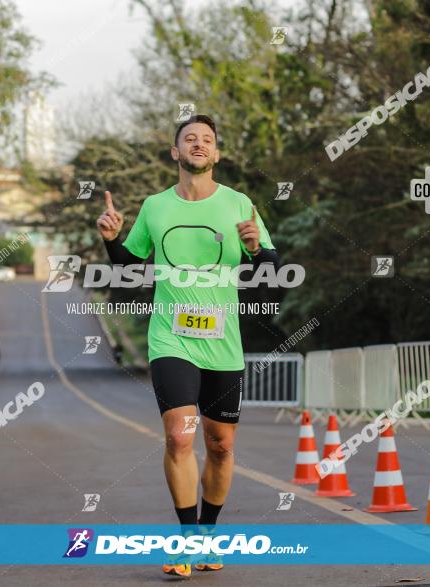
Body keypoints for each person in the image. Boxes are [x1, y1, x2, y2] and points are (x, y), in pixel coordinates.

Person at [96, 114, 278, 577]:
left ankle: (211, 534)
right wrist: (112, 240)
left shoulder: (240, 204)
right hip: (171, 337)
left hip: (222, 343)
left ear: (216, 155)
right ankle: (185, 539)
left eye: (208, 140)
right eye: (189, 139)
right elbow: (125, 271)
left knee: (220, 444)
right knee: (180, 437)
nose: (199, 144)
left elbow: (273, 284)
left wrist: (258, 250)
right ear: (175, 153)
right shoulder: (156, 207)